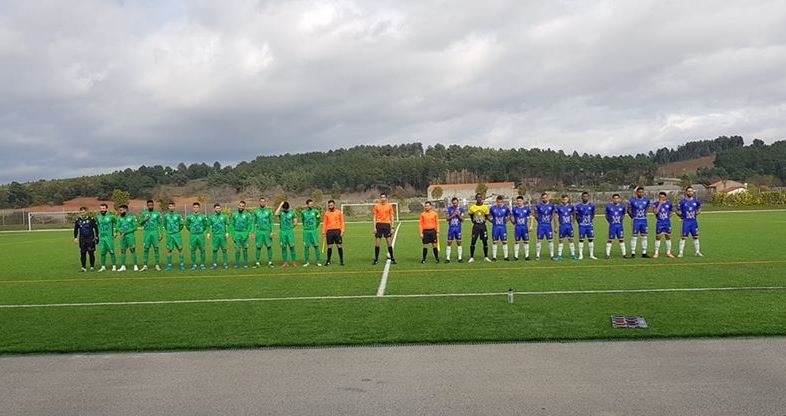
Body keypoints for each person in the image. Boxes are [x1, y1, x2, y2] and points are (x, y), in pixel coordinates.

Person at [677, 186, 703, 257]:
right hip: (686, 222)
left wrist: (696, 213)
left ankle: (697, 252)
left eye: (691, 191)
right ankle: (681, 252)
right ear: (686, 192)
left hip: (694, 222)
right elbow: (679, 211)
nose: (690, 192)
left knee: (696, 237)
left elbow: (699, 209)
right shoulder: (682, 202)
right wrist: (679, 214)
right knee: (683, 237)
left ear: (693, 192)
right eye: (688, 191)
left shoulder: (696, 201)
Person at [138, 200, 163, 271]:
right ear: (147, 205)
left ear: (153, 205)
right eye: (149, 205)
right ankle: (145, 265)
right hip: (147, 233)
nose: (150, 206)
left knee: (156, 248)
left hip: (155, 232)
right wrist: (145, 220)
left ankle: (157, 265)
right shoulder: (144, 213)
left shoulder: (157, 213)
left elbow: (160, 224)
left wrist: (161, 234)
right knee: (146, 249)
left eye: (151, 205)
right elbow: (140, 223)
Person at [372, 193, 396, 265]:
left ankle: (392, 258)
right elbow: (374, 217)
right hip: (379, 225)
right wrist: (374, 227)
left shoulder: (389, 206)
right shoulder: (376, 206)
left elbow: (392, 216)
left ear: (386, 198)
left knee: (389, 243)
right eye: (381, 197)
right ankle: (376, 259)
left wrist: (392, 227)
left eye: (384, 197)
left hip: (387, 225)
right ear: (380, 198)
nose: (383, 199)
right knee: (377, 243)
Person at [467, 193, 492, 263]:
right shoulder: (472, 207)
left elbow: (487, 216)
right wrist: (474, 221)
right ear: (476, 198)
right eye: (477, 197)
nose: (479, 199)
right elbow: (471, 216)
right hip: (476, 226)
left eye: (480, 197)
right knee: (473, 241)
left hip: (483, 226)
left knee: (485, 241)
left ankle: (486, 257)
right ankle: (471, 257)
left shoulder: (485, 207)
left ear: (482, 198)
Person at [628, 186, 651, 258]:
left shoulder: (647, 200)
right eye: (639, 192)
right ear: (636, 192)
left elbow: (647, 208)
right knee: (634, 237)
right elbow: (628, 210)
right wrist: (633, 217)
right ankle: (633, 253)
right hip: (636, 220)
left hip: (644, 220)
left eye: (642, 192)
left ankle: (644, 252)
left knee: (644, 236)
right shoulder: (632, 200)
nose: (640, 193)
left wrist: (644, 214)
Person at [73, 206, 98, 272]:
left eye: (83, 212)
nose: (82, 213)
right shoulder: (78, 220)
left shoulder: (91, 219)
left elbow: (96, 228)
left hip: (90, 239)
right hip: (82, 239)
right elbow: (76, 229)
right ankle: (83, 268)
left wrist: (96, 237)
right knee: (83, 253)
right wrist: (75, 237)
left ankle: (92, 266)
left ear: (86, 212)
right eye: (81, 212)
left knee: (91, 253)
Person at [252, 197, 275, 268]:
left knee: (269, 246)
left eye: (263, 201)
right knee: (258, 247)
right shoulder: (256, 211)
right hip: (259, 231)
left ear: (265, 203)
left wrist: (272, 231)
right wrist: (253, 232)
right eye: (261, 201)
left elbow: (271, 222)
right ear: (259, 202)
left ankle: (270, 262)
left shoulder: (269, 211)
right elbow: (253, 223)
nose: (262, 203)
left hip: (267, 231)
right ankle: (257, 262)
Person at [186, 202, 209, 270]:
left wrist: (201, 230)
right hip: (193, 235)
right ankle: (194, 264)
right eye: (194, 207)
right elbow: (187, 225)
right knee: (192, 250)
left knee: (202, 250)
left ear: (199, 208)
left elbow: (205, 225)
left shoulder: (203, 217)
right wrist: (192, 230)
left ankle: (202, 264)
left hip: (200, 235)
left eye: (197, 207)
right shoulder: (189, 217)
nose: (196, 208)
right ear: (192, 208)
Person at [574, 192, 597, 260]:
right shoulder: (578, 206)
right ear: (581, 197)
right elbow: (577, 216)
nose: (585, 198)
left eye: (586, 196)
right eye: (584, 196)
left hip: (589, 225)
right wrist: (580, 223)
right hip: (582, 226)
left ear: (588, 197)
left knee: (591, 239)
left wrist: (589, 221)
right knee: (581, 240)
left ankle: (591, 255)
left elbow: (592, 215)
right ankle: (581, 255)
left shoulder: (592, 205)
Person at [605, 194, 629, 259]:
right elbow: (606, 216)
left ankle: (624, 254)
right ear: (612, 199)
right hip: (612, 226)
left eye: (617, 198)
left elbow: (623, 214)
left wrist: (620, 220)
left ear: (619, 199)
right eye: (614, 198)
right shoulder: (609, 207)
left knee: (621, 240)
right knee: (610, 240)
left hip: (619, 226)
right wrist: (610, 222)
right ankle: (607, 255)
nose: (616, 200)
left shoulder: (622, 207)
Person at [322, 200, 346, 266]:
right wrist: (323, 232)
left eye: (331, 205)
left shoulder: (339, 212)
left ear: (334, 205)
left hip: (337, 231)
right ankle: (328, 261)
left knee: (339, 246)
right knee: (329, 246)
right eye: (329, 205)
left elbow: (342, 222)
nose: (330, 207)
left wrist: (342, 230)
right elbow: (324, 223)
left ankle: (341, 260)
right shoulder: (326, 213)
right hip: (329, 231)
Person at [163, 202, 185, 271]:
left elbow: (181, 224)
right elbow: (165, 224)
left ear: (174, 207)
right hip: (169, 234)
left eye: (172, 206)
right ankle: (169, 265)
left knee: (180, 249)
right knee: (169, 250)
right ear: (168, 207)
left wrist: (177, 230)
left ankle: (181, 264)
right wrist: (169, 230)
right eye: (170, 206)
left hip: (177, 234)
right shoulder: (166, 216)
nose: (171, 207)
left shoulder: (178, 215)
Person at [275, 201, 298, 268]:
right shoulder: (281, 213)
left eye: (286, 209)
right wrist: (280, 205)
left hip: (290, 232)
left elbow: (295, 222)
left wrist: (291, 228)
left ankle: (294, 262)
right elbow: (276, 214)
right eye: (284, 209)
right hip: (282, 232)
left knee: (292, 247)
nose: (286, 210)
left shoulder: (292, 212)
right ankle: (285, 263)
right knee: (283, 247)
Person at [95, 203, 117, 272]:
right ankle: (103, 267)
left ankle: (114, 266)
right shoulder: (97, 217)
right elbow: (97, 226)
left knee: (111, 251)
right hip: (101, 238)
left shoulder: (111, 217)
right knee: (102, 253)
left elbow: (117, 223)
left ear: (107, 209)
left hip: (109, 237)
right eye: (101, 208)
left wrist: (115, 231)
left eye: (104, 208)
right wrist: (97, 235)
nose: (102, 210)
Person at [652, 192, 675, 259]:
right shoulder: (655, 204)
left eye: (662, 197)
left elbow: (671, 212)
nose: (661, 198)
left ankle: (668, 253)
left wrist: (668, 217)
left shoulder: (669, 204)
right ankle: (656, 253)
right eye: (660, 197)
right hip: (660, 223)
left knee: (668, 237)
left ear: (665, 197)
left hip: (667, 223)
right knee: (658, 238)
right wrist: (660, 204)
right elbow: (655, 212)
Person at [116, 204, 139, 272]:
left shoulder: (132, 217)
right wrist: (121, 231)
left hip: (130, 236)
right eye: (119, 210)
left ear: (126, 210)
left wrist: (126, 232)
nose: (120, 212)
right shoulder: (119, 218)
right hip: (123, 237)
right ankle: (123, 266)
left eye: (121, 210)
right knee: (123, 250)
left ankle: (135, 266)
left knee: (132, 250)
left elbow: (135, 227)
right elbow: (117, 227)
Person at [207, 203, 230, 269]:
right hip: (215, 236)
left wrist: (227, 232)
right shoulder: (211, 217)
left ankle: (225, 263)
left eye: (219, 208)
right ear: (214, 209)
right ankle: (214, 264)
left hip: (222, 235)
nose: (218, 209)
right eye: (217, 208)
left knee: (224, 249)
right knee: (214, 250)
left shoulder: (224, 216)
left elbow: (227, 224)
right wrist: (208, 233)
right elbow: (208, 225)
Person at [231, 201, 253, 268]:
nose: (241, 207)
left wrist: (247, 234)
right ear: (238, 206)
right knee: (237, 249)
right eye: (240, 205)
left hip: (244, 233)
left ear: (244, 207)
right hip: (236, 233)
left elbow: (250, 225)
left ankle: (245, 263)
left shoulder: (247, 215)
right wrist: (233, 235)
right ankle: (237, 263)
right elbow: (231, 225)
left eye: (242, 206)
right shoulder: (234, 214)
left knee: (245, 249)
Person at [534, 192, 556, 260]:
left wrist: (550, 220)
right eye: (543, 198)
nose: (544, 199)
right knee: (539, 240)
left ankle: (552, 255)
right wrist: (539, 221)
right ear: (541, 198)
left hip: (548, 226)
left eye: (546, 197)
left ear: (548, 197)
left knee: (550, 240)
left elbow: (553, 214)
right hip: (541, 226)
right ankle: (537, 255)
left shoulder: (551, 206)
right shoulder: (538, 206)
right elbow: (536, 214)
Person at [301, 199, 323, 267]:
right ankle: (307, 262)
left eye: (312, 204)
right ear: (307, 205)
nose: (311, 205)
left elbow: (319, 220)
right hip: (306, 231)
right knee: (306, 246)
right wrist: (306, 227)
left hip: (314, 231)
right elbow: (302, 220)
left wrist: (315, 227)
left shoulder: (316, 211)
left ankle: (318, 261)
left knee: (316, 246)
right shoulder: (303, 212)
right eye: (310, 204)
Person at [555, 194, 577, 260]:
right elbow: (555, 217)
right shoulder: (558, 207)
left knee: (571, 240)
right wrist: (556, 226)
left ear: (568, 200)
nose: (565, 200)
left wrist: (573, 223)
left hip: (569, 226)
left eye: (566, 199)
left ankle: (573, 255)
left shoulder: (571, 207)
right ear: (561, 200)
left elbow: (574, 215)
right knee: (561, 240)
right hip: (562, 226)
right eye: (564, 199)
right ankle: (559, 256)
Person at [489, 195, 511, 261]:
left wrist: (506, 221)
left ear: (502, 202)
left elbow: (509, 215)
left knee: (504, 242)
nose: (499, 203)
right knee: (495, 242)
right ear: (496, 201)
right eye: (498, 202)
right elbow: (489, 216)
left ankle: (506, 257)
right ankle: (494, 257)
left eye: (500, 202)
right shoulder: (492, 208)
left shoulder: (506, 208)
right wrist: (492, 221)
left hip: (503, 227)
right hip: (495, 227)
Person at [510, 196, 533, 261]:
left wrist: (531, 226)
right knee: (517, 241)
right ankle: (516, 256)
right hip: (517, 227)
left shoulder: (527, 209)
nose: (519, 202)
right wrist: (512, 220)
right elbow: (512, 218)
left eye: (520, 201)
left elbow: (531, 217)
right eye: (518, 201)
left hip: (524, 227)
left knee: (526, 241)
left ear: (523, 201)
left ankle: (527, 256)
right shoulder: (514, 209)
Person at [445, 197, 464, 263]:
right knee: (449, 242)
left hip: (458, 229)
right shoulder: (449, 209)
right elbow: (447, 219)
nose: (455, 204)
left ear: (458, 202)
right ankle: (447, 258)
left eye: (456, 203)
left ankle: (460, 258)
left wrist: (458, 214)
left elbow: (462, 220)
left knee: (459, 242)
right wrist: (453, 215)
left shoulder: (461, 209)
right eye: (453, 203)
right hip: (451, 228)